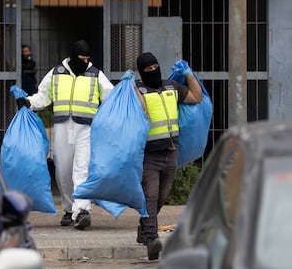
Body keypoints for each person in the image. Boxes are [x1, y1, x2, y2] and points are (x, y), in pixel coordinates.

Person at [16, 39, 114, 230]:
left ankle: (83, 210)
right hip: (62, 127)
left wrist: (125, 92)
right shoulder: (56, 73)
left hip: (86, 128)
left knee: (81, 169)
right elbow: (43, 96)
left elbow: (111, 97)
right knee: (63, 170)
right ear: (73, 56)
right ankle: (69, 209)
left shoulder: (96, 75)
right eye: (81, 58)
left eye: (88, 59)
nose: (85, 62)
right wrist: (28, 102)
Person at [135, 52, 203, 260]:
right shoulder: (138, 89)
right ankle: (151, 238)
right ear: (141, 73)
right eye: (148, 70)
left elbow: (196, 97)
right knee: (151, 196)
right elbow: (140, 110)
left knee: (162, 196)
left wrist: (188, 74)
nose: (153, 71)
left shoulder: (171, 87)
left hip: (171, 151)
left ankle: (144, 229)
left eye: (155, 67)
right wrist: (132, 87)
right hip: (150, 154)